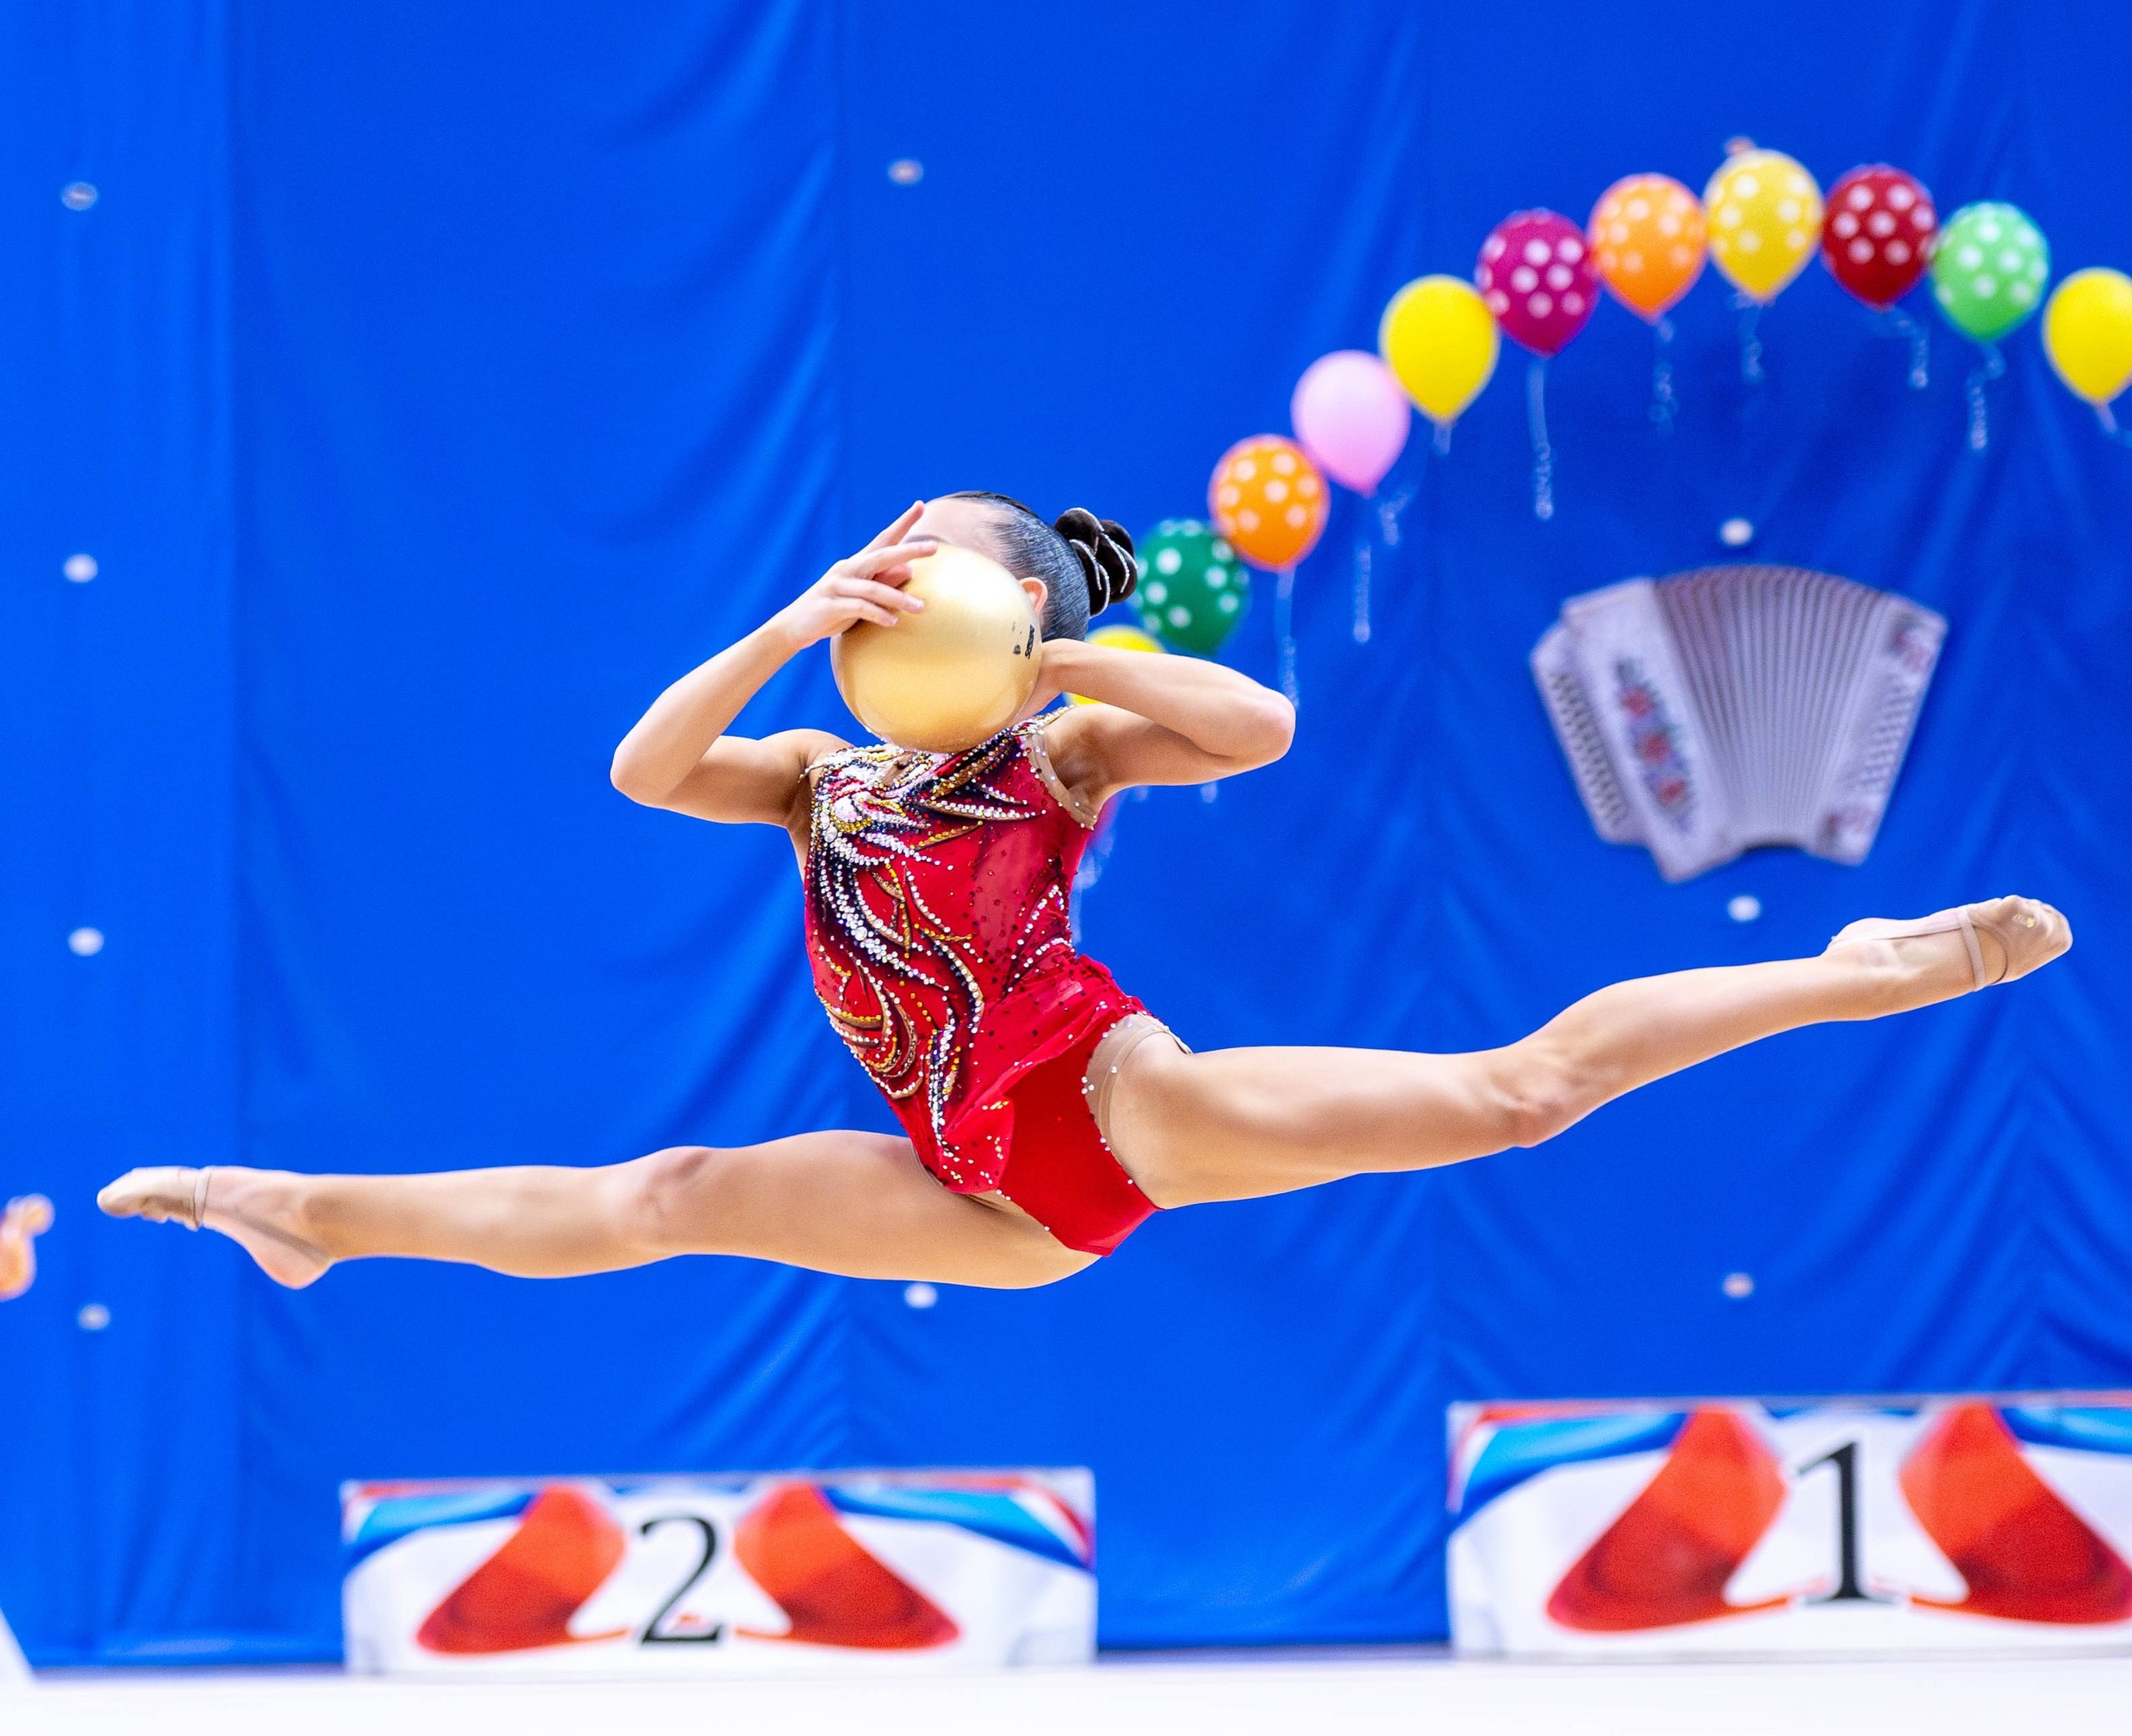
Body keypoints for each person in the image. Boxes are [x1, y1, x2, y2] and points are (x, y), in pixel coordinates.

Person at [100, 492, 2070, 1292]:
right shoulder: (820, 768)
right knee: (671, 1198)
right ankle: (302, 1218)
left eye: (926, 556)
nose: (892, 567)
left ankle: (1847, 969)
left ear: (1006, 599)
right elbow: (639, 769)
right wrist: (789, 624)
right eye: (880, 549)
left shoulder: (1043, 745)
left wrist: (1051, 663)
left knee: (1505, 1093)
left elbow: (1259, 725)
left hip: (1098, 1095)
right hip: (974, 1179)